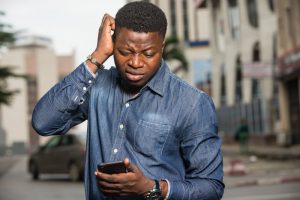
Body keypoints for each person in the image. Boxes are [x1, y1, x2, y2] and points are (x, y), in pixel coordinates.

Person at [32, 2, 224, 199]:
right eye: (125, 52)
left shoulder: (192, 103)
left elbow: (211, 187)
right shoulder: (96, 88)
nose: (135, 63)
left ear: (162, 47)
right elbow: (43, 122)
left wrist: (152, 187)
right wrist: (97, 56)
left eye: (148, 54)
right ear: (113, 43)